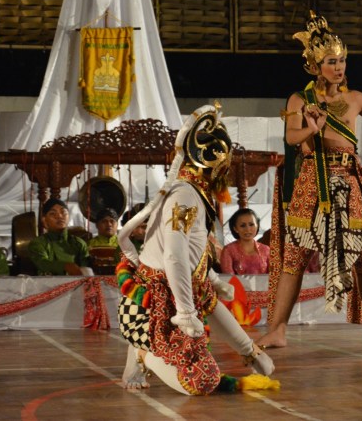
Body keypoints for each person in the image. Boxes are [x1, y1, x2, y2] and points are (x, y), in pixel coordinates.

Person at [259, 11, 362, 348]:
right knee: (295, 255)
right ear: (316, 66)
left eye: (343, 59)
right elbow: (291, 138)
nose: (339, 66)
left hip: (350, 178)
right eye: (332, 60)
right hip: (312, 178)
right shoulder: (301, 100)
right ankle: (277, 329)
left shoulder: (356, 99)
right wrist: (313, 127)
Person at [117, 105, 275, 395]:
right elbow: (175, 257)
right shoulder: (186, 199)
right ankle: (140, 353)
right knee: (201, 382)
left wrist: (250, 351)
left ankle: (150, 352)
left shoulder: (192, 194)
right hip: (155, 307)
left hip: (179, 294)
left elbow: (199, 277)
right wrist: (187, 312)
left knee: (218, 366)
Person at [28, 198, 93, 276]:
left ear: (68, 217)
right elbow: (42, 263)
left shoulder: (78, 243)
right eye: (52, 213)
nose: (59, 216)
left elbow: (86, 267)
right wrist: (65, 266)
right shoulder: (38, 243)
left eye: (63, 212)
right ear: (44, 221)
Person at [220, 208, 270, 274]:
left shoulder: (266, 250)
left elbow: (273, 277)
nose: (248, 229)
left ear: (257, 226)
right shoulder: (228, 250)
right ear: (235, 228)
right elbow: (228, 279)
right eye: (243, 225)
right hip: (234, 284)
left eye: (251, 224)